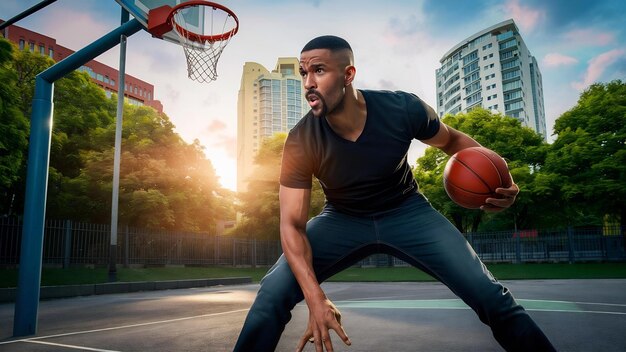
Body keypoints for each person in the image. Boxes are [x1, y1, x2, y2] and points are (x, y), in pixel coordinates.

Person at [234, 35, 555, 352]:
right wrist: (315, 298)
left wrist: (503, 179)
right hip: (342, 219)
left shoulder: (402, 109)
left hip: (407, 211)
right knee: (272, 294)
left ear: (348, 75)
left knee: (490, 296)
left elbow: (453, 142)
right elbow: (291, 225)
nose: (308, 82)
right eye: (304, 73)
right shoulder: (301, 140)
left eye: (318, 70)